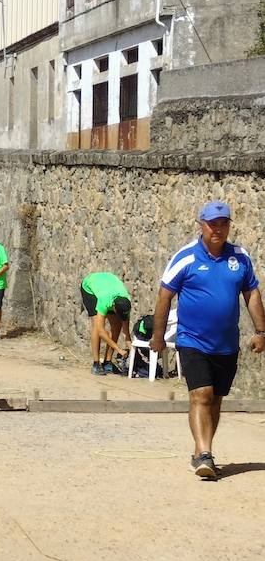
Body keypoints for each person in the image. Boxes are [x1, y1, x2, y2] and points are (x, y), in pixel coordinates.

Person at [152, 201, 265, 479]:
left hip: (226, 343)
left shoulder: (240, 257)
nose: (218, 229)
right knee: (200, 395)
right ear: (201, 225)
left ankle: (200, 451)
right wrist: (158, 337)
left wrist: (261, 332)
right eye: (212, 224)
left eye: (223, 223)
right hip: (192, 340)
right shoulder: (186, 257)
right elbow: (164, 296)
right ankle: (205, 454)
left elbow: (251, 295)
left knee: (215, 400)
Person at [80, 272, 133, 375]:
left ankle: (107, 362)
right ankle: (96, 364)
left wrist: (130, 346)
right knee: (96, 326)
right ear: (114, 308)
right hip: (90, 288)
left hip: (107, 283)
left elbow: (125, 329)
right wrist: (118, 349)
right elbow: (100, 331)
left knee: (117, 325)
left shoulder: (126, 300)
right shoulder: (104, 301)